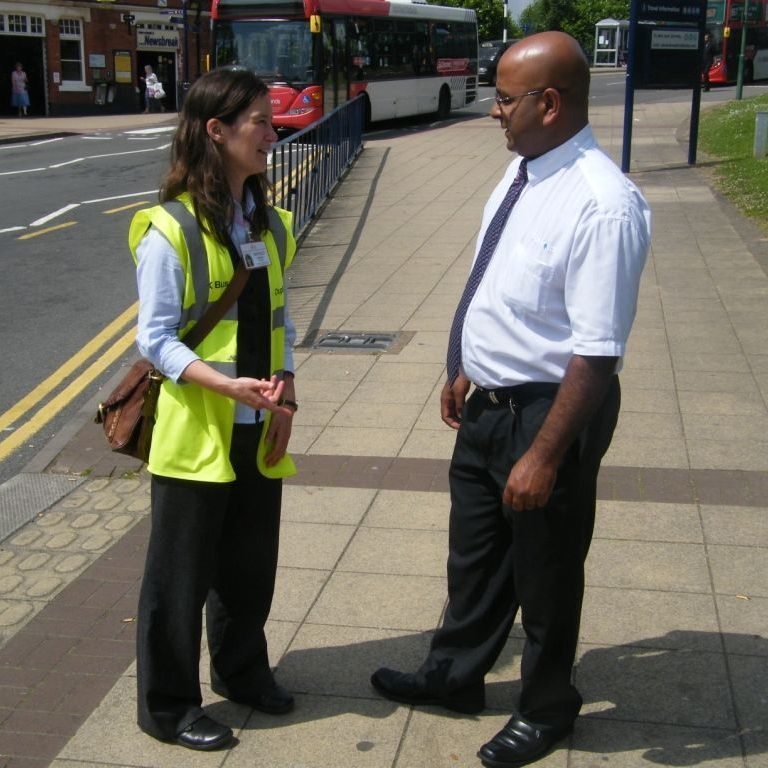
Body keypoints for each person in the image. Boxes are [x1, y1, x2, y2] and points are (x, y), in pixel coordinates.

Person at [370, 31, 651, 768]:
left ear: (550, 103)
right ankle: (454, 677)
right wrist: (461, 363)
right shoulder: (523, 171)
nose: (492, 111)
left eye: (502, 97)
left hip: (549, 411)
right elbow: (493, 283)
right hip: (488, 404)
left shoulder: (602, 204)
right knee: (476, 558)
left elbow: (596, 352)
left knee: (547, 569)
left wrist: (545, 455)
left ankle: (547, 705)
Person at [131, 67, 300, 752]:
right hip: (198, 432)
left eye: (268, 119)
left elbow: (282, 318)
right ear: (216, 130)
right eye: (258, 121)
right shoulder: (167, 228)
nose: (272, 131)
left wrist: (285, 387)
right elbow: (155, 339)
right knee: (179, 579)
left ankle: (241, 672)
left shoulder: (271, 221)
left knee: (248, 568)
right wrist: (225, 387)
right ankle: (167, 707)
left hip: (258, 426)